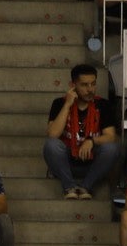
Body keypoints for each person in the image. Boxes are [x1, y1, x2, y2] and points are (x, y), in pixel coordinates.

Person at [43, 65, 121, 200]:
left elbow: (110, 136)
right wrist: (67, 104)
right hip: (66, 162)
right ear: (73, 85)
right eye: (84, 85)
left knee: (112, 148)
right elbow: (52, 134)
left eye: (93, 84)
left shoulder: (103, 105)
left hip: (92, 162)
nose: (90, 89)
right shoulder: (59, 103)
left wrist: (91, 141)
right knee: (51, 145)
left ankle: (86, 187)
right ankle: (69, 187)